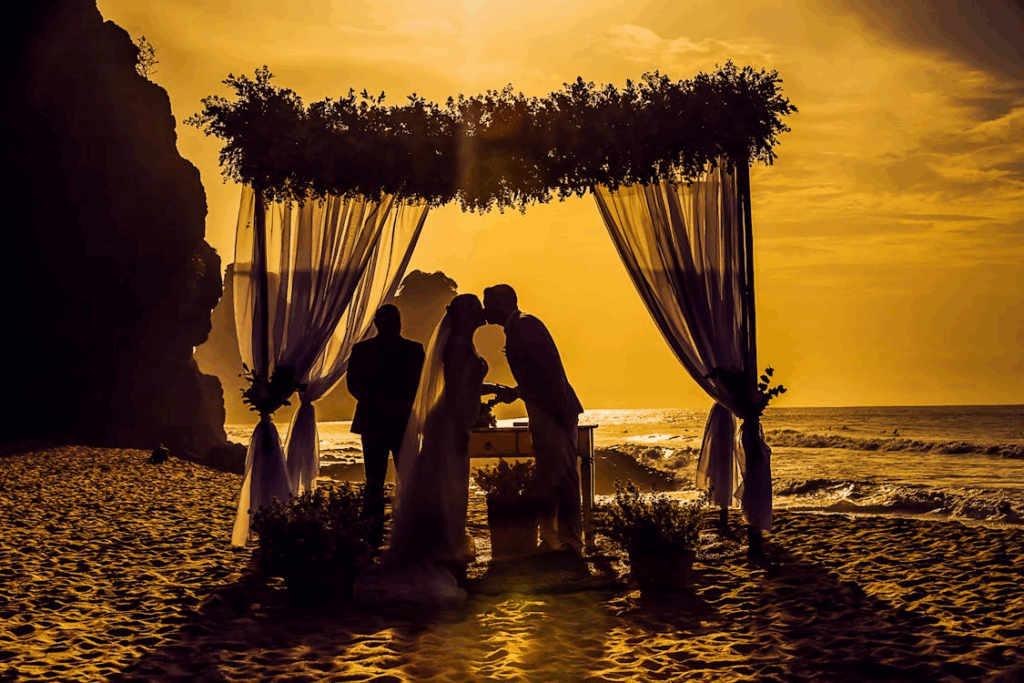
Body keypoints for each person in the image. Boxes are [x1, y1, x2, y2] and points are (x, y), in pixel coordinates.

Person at [353, 294, 502, 607]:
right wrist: (466, 420)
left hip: (420, 419)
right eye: (476, 308)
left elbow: (436, 384)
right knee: (378, 481)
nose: (482, 312)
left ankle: (435, 539)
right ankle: (381, 537)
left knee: (421, 481)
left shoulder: (422, 349)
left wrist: (488, 393)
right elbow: (356, 385)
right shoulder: (455, 347)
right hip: (391, 421)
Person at [483, 284, 584, 557]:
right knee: (551, 475)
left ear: (503, 304)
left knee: (564, 476)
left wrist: (550, 411)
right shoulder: (519, 326)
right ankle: (553, 539)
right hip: (544, 411)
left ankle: (571, 541)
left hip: (554, 411)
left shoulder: (525, 326)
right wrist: (517, 393)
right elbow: (535, 375)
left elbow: (547, 373)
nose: (485, 310)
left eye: (488, 303)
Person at [347, 304, 425, 541]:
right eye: (388, 322)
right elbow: (354, 384)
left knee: (406, 475)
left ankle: (407, 524)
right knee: (375, 478)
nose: (392, 326)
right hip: (378, 420)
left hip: (396, 419)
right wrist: (380, 401)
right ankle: (374, 527)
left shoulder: (413, 350)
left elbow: (420, 383)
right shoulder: (363, 350)